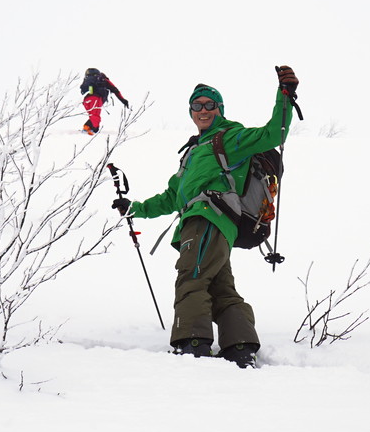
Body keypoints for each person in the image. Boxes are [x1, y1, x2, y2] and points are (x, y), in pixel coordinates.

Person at [112, 67, 299, 367]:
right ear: (190, 112)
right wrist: (135, 208)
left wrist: (285, 96)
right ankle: (240, 347)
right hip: (210, 226)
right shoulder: (192, 154)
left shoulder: (229, 137)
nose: (203, 110)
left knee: (192, 278)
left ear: (219, 109)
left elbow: (272, 133)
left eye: (209, 105)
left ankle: (193, 346)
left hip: (208, 219)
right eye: (196, 105)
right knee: (221, 288)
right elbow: (171, 198)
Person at [79, 68, 129, 135]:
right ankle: (93, 132)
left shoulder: (86, 80)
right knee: (95, 116)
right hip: (96, 99)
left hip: (86, 100)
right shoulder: (103, 79)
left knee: (92, 116)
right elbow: (115, 90)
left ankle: (87, 127)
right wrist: (123, 100)